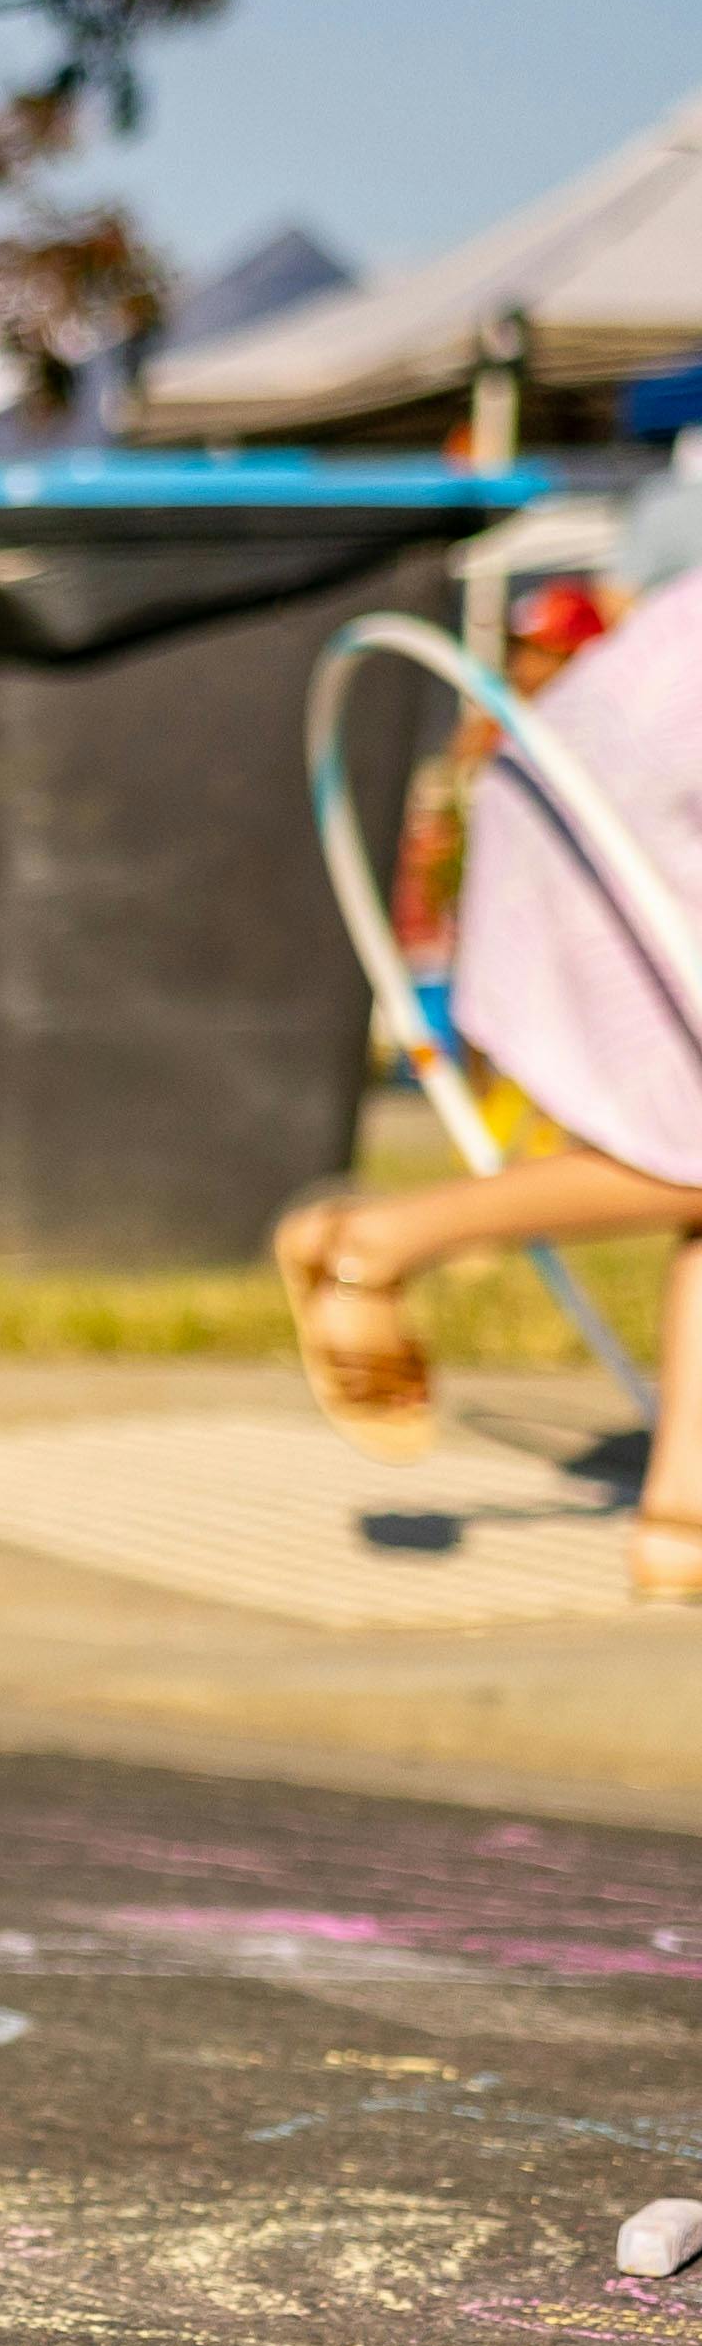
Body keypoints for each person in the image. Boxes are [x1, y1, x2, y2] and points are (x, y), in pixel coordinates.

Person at [278, 548, 702, 1602]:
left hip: (585, 791)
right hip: (627, 824)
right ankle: (370, 1244)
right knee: (690, 1153)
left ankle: (678, 1522)